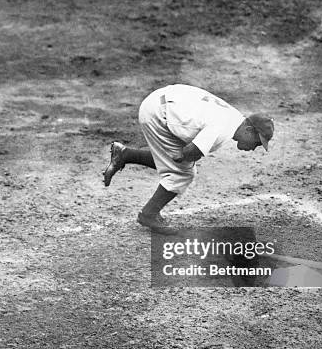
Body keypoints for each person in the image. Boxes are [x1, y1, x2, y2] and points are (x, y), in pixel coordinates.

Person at [103, 84, 274, 235]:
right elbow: (191, 151)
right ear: (249, 129)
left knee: (173, 161)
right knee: (184, 173)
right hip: (158, 113)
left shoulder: (235, 118)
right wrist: (183, 156)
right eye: (257, 142)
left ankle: (124, 154)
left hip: (164, 102)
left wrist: (180, 156)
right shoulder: (223, 128)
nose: (254, 148)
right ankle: (149, 214)